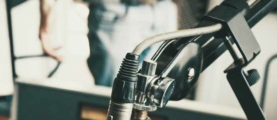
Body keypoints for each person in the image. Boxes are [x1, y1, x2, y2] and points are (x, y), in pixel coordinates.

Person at [40, 0, 178, 86]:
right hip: (116, 12)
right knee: (113, 98)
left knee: (155, 92)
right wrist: (46, 29)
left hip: (164, 9)